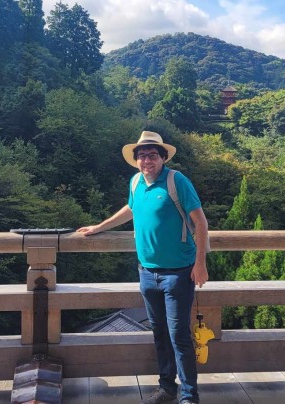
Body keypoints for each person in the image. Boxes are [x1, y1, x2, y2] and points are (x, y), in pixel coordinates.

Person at [77, 131, 209, 404]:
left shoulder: (176, 181)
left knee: (179, 336)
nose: (147, 160)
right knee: (159, 332)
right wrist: (99, 227)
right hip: (147, 272)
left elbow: (201, 223)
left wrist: (200, 264)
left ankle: (189, 396)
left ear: (163, 158)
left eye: (152, 155)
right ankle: (166, 388)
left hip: (178, 272)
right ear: (136, 161)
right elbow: (131, 209)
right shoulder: (136, 181)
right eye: (142, 156)